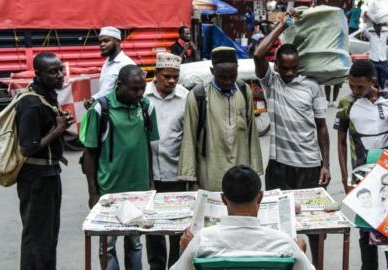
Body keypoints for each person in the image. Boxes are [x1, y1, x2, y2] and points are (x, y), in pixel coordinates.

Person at [254, 11, 330, 267]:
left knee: (314, 226)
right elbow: (257, 54)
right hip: (279, 166)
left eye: (293, 68)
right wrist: (283, 24)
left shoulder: (312, 86)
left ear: (299, 66)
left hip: (309, 165)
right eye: (284, 68)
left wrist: (325, 164)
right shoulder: (271, 82)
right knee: (278, 224)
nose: (288, 73)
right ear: (277, 66)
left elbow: (322, 127)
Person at [82, 64, 159, 270]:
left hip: (139, 190)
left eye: (142, 88)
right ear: (119, 85)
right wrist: (92, 192)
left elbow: (148, 147)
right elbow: (89, 153)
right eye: (134, 89)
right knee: (107, 245)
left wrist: (151, 183)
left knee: (135, 243)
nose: (139, 93)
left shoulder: (146, 107)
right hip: (109, 191)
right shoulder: (100, 109)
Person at [170, 165, 315, 270]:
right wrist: (300, 252)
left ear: (223, 199)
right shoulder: (284, 243)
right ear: (260, 197)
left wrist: (184, 248)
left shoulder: (202, 240)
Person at [334, 59, 388, 270]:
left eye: (359, 86)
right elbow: (341, 144)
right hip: (361, 177)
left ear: (372, 81)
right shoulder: (347, 104)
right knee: (365, 230)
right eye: (351, 85)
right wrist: (346, 180)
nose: (355, 90)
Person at [16, 52, 73, 270]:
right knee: (36, 238)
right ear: (37, 74)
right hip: (36, 179)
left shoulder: (48, 95)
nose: (60, 75)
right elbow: (27, 148)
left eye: (60, 69)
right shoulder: (31, 103)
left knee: (49, 236)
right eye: (53, 72)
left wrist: (60, 126)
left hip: (50, 174)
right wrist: (58, 129)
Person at [177, 46, 263, 191]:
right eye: (222, 77)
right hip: (210, 174)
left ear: (237, 69)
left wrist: (254, 169)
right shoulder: (199, 95)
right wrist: (191, 179)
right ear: (212, 71)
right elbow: (189, 138)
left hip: (241, 171)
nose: (228, 81)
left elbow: (252, 133)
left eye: (232, 76)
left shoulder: (244, 90)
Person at [144, 52, 189, 270]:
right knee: (152, 228)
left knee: (176, 227)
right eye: (167, 76)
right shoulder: (142, 96)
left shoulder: (185, 97)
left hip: (176, 173)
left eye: (175, 76)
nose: (171, 81)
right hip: (149, 173)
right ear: (157, 74)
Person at [84, 26, 136, 108]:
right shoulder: (107, 63)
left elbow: (131, 94)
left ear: (118, 41)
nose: (102, 45)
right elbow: (105, 90)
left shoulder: (127, 64)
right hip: (105, 110)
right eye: (100, 42)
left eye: (106, 41)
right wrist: (93, 99)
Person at [362, 20, 388, 90]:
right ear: (374, 27)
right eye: (377, 26)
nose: (379, 27)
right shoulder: (371, 35)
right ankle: (374, 93)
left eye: (380, 26)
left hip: (383, 61)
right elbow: (364, 30)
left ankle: (381, 93)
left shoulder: (385, 35)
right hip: (373, 61)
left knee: (382, 80)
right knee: (374, 80)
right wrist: (367, 20)